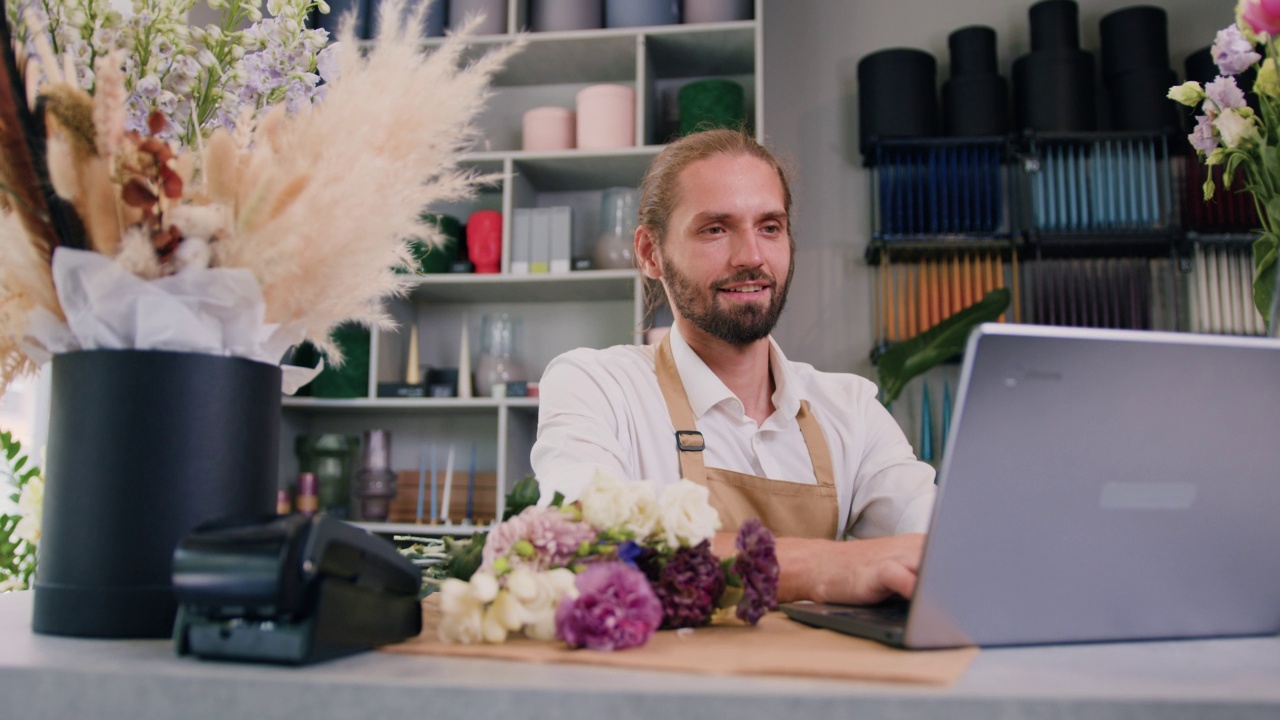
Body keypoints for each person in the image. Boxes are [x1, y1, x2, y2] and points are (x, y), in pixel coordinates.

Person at [530, 128, 936, 605]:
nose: (752, 257)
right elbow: (587, 545)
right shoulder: (596, 387)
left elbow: (940, 547)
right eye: (715, 229)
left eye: (770, 227)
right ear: (649, 253)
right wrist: (828, 567)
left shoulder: (852, 408)